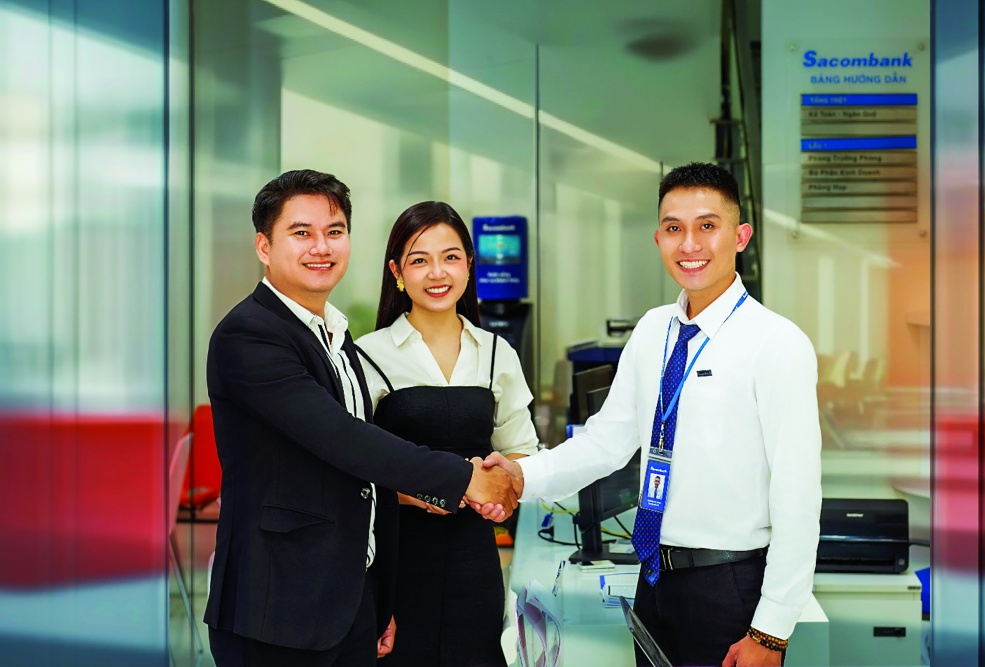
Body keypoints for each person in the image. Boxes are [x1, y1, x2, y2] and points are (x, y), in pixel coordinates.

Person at [484, 162, 821, 667]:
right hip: (654, 582)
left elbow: (798, 495)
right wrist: (519, 475)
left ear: (740, 236)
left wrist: (770, 631)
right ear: (658, 239)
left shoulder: (777, 344)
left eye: (707, 226)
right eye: (674, 228)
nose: (690, 244)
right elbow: (606, 441)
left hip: (728, 587)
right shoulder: (652, 330)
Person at [203, 170, 518, 667]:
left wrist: (378, 599)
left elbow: (360, 483)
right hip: (277, 610)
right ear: (264, 246)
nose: (321, 247)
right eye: (301, 232)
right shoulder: (249, 334)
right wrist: (465, 478)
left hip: (345, 604)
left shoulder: (334, 336)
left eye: (335, 231)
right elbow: (344, 441)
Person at [355, 201, 538, 667]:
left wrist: (504, 490)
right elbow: (350, 470)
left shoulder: (497, 352)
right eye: (419, 260)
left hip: (475, 560)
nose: (437, 273)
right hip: (397, 562)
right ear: (397, 272)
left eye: (451, 257)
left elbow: (521, 452)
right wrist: (422, 492)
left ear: (469, 264)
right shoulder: (367, 356)